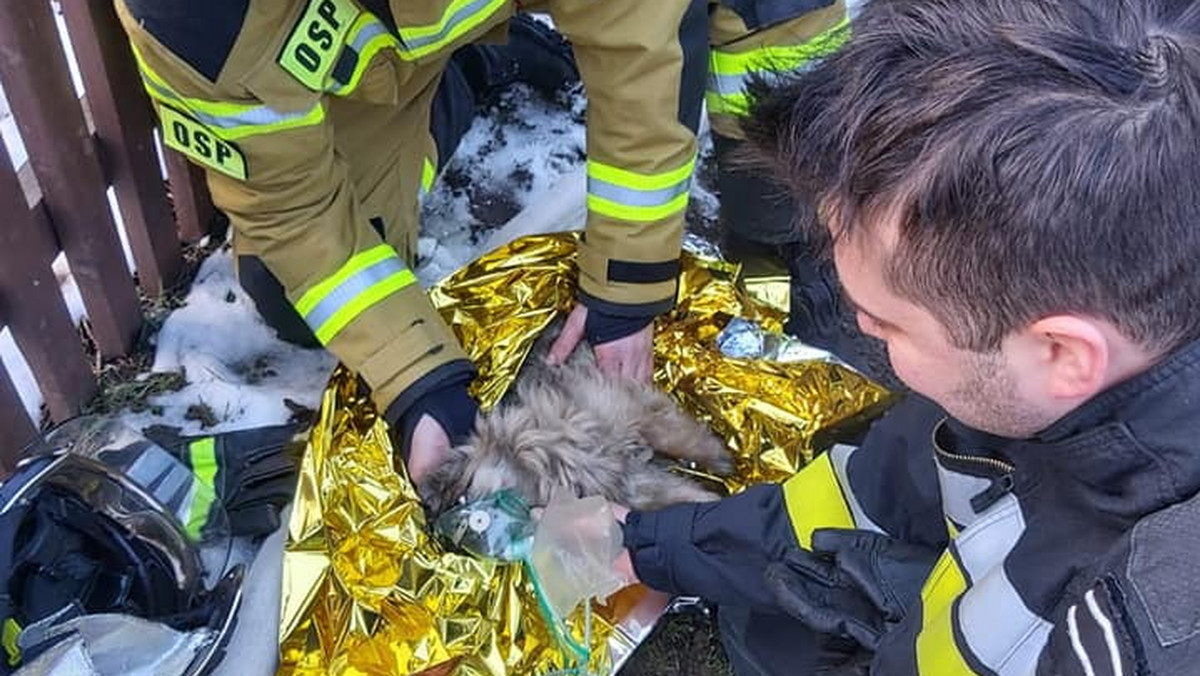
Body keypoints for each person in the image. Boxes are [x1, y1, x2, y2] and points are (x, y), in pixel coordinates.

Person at [607, 0, 1200, 674]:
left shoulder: (1137, 637)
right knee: (768, 631)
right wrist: (657, 546)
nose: (859, 326)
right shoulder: (1034, 364)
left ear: (1061, 354)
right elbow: (883, 485)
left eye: (886, 323)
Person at [110, 0, 853, 479]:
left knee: (770, 15)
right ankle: (476, 66)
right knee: (291, 299)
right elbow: (289, 210)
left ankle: (801, 244)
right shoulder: (190, 17)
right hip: (383, 64)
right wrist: (419, 383)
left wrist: (628, 283)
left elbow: (642, 36)